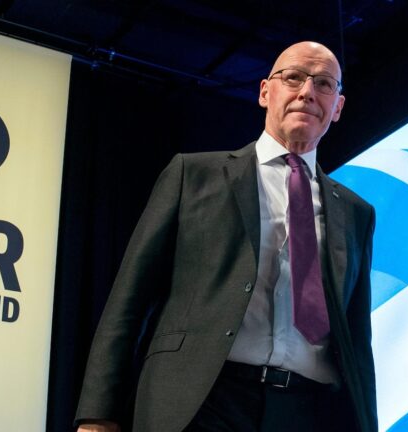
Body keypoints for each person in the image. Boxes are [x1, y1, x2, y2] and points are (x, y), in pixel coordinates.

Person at [75, 41, 377, 432]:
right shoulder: (193, 175)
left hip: (308, 411)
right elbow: (129, 301)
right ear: (265, 91)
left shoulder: (356, 213)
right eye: (294, 77)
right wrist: (99, 414)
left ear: (337, 108)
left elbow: (356, 339)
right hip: (203, 402)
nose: (307, 92)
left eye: (323, 83)